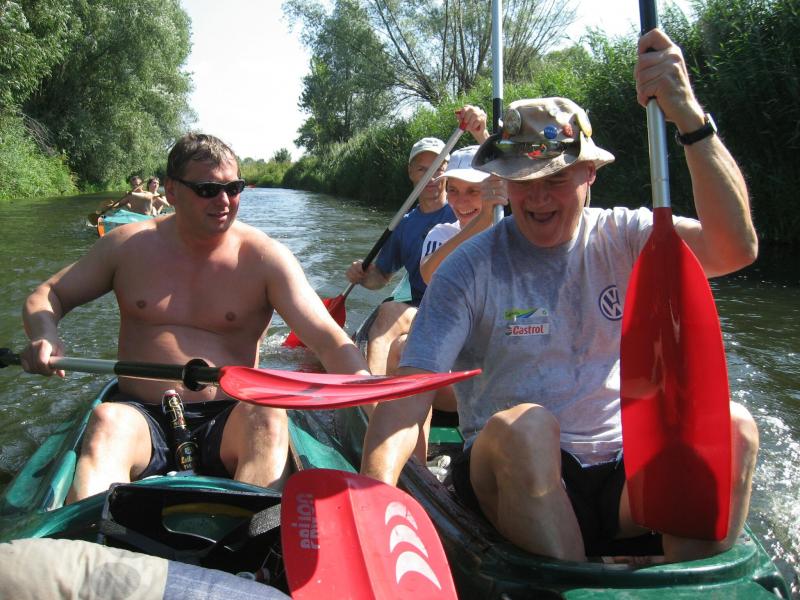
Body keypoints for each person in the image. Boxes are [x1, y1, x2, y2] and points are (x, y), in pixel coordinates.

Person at [360, 29, 759, 564]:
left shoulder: (628, 235)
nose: (538, 197)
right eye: (523, 180)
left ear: (589, 174)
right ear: (503, 181)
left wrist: (688, 116)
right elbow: (409, 397)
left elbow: (735, 248)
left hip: (623, 478)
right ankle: (574, 585)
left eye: (556, 177)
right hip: (512, 471)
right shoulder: (468, 268)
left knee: (732, 425)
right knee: (529, 427)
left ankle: (679, 576)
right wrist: (375, 501)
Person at [21, 132, 369, 502]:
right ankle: (93, 533)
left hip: (230, 419)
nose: (224, 201)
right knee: (107, 420)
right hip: (140, 416)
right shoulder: (125, 247)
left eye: (233, 188)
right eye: (207, 189)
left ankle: (253, 528)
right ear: (171, 191)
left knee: (268, 415)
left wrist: (367, 389)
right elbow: (49, 294)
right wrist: (45, 334)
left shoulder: (267, 259)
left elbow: (329, 342)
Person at [345, 106, 489, 380]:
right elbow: (381, 277)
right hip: (419, 306)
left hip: (461, 311)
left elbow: (503, 179)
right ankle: (371, 390)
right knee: (388, 314)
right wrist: (363, 276)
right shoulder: (405, 224)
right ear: (411, 172)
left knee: (394, 321)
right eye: (423, 169)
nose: (431, 177)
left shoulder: (470, 210)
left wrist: (482, 134)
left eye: (438, 169)